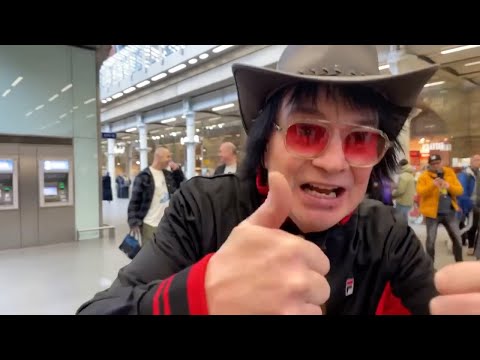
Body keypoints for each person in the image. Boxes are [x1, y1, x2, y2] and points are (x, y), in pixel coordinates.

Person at [77, 45, 480, 315]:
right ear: (265, 144)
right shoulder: (203, 210)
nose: (333, 162)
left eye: (359, 140)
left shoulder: (385, 236)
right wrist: (200, 295)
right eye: (307, 131)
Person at [127, 146, 185, 246]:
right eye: (167, 157)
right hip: (150, 224)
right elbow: (134, 201)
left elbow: (183, 186)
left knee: (167, 253)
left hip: (167, 223)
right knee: (150, 255)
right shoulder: (144, 176)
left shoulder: (168, 174)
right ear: (159, 157)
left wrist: (177, 171)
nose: (170, 159)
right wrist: (133, 222)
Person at [417, 154, 464, 263]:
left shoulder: (450, 173)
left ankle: (460, 265)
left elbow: (460, 191)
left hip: (449, 213)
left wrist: (449, 186)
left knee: (458, 240)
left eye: (438, 163)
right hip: (432, 214)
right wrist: (433, 185)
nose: (436, 165)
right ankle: (430, 267)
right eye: (433, 164)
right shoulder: (424, 176)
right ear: (430, 165)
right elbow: (420, 192)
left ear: (441, 162)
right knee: (430, 242)